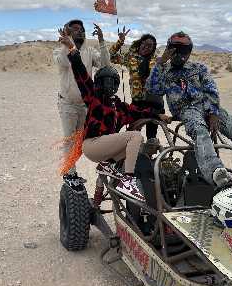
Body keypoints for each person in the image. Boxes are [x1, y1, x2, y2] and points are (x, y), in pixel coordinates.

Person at [145, 31, 232, 194]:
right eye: (175, 50)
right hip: (186, 109)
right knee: (200, 131)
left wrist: (213, 112)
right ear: (168, 50)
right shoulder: (163, 71)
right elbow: (152, 89)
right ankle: (217, 176)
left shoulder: (198, 68)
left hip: (207, 106)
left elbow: (210, 89)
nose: (179, 55)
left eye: (184, 51)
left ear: (189, 52)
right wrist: (160, 63)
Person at [58, 28, 171, 201]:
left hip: (106, 147)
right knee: (135, 136)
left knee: (139, 151)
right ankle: (127, 182)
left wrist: (158, 115)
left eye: (113, 82)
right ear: (99, 83)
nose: (109, 85)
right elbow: (81, 73)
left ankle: (104, 184)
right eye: (106, 81)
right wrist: (72, 49)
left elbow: (138, 111)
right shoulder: (93, 98)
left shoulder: (118, 105)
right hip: (92, 144)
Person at [53, 19, 112, 191]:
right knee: (70, 139)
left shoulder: (89, 51)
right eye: (75, 29)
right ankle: (70, 174)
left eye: (81, 29)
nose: (80, 31)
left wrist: (101, 41)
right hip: (68, 103)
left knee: (80, 139)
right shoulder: (59, 51)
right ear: (68, 33)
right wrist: (67, 45)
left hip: (85, 105)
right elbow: (65, 62)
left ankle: (72, 171)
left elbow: (104, 64)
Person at [109, 33, 165, 143]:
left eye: (150, 46)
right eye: (145, 44)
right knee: (133, 132)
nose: (146, 47)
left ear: (153, 49)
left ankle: (149, 151)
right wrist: (120, 41)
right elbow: (111, 56)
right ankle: (134, 151)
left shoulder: (157, 61)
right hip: (137, 103)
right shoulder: (130, 58)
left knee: (151, 136)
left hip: (154, 103)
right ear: (140, 43)